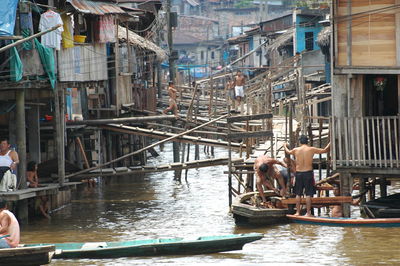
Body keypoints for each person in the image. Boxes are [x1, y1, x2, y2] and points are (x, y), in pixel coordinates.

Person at [284, 135, 330, 217]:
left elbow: (288, 152)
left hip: (298, 173)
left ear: (299, 142)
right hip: (308, 173)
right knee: (308, 194)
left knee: (298, 194)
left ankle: (297, 212)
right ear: (307, 141)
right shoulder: (311, 149)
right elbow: (325, 150)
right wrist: (331, 143)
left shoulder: (296, 150)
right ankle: (308, 213)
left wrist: (284, 146)